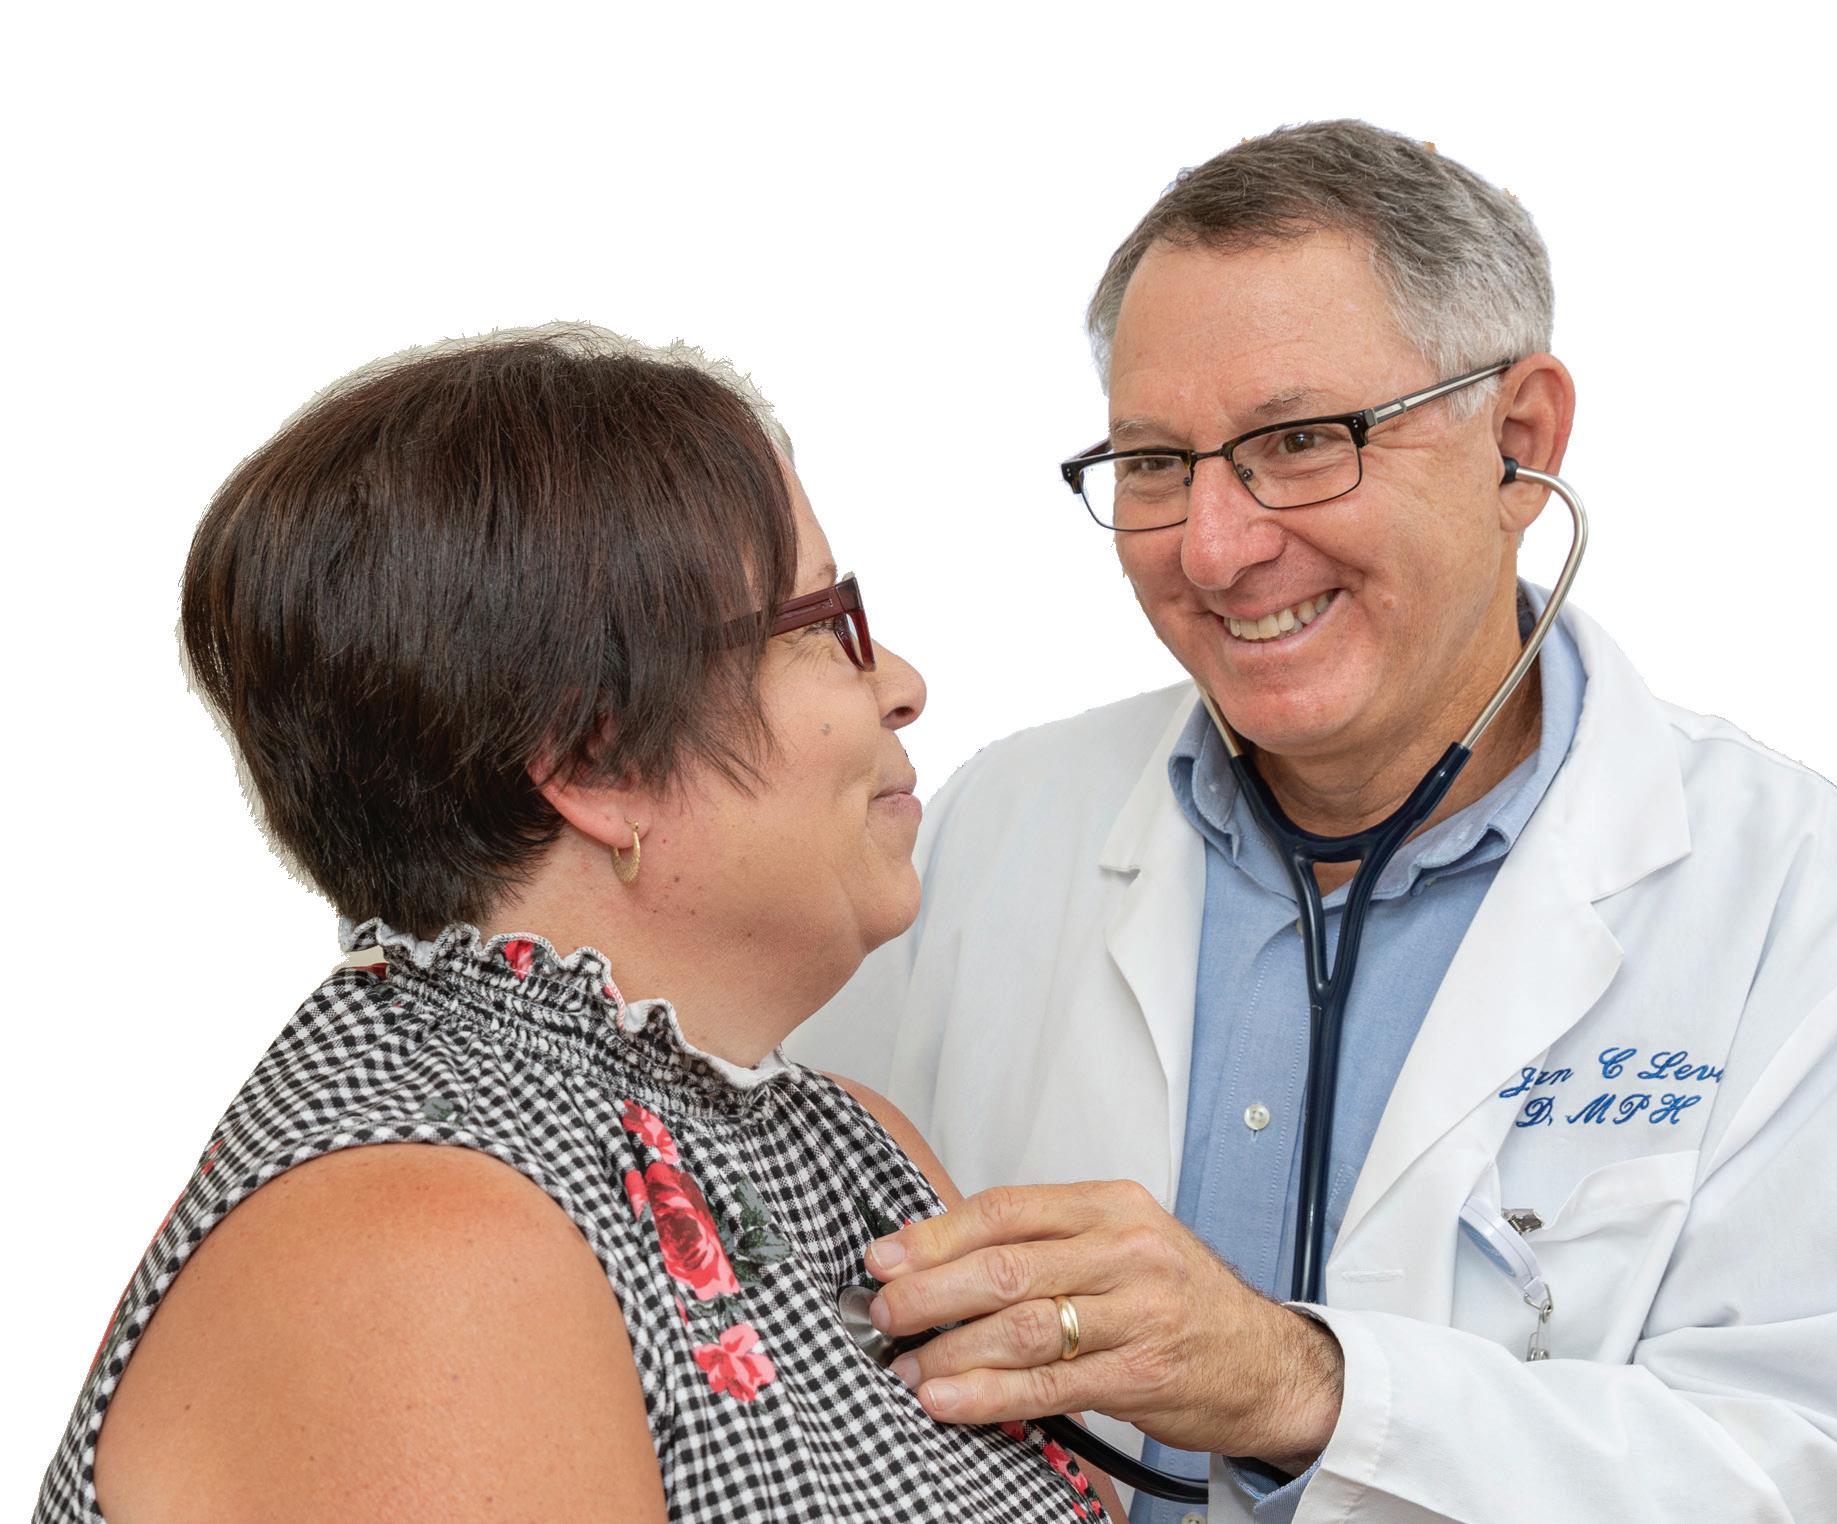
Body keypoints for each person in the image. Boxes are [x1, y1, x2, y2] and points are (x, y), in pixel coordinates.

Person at [790, 122, 1837, 1521]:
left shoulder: (1794, 898)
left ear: (1519, 443)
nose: (1214, 548)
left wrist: (1305, 1388)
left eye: (1301, 443)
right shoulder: (998, 828)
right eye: (1155, 462)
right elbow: (771, 1300)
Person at [36, 325, 1122, 1522]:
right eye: (823, 624)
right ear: (597, 764)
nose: (901, 683)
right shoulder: (419, 1249)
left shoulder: (847, 1144)